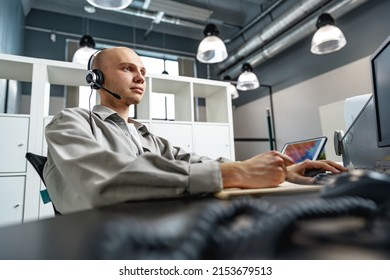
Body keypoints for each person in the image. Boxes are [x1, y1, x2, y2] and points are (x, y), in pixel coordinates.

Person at [43, 47, 347, 214]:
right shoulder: (70, 122)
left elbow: (197, 163)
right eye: (127, 69)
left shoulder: (147, 136)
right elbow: (103, 178)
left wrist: (281, 168)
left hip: (153, 230)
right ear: (95, 79)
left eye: (143, 71)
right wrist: (236, 174)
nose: (140, 77)